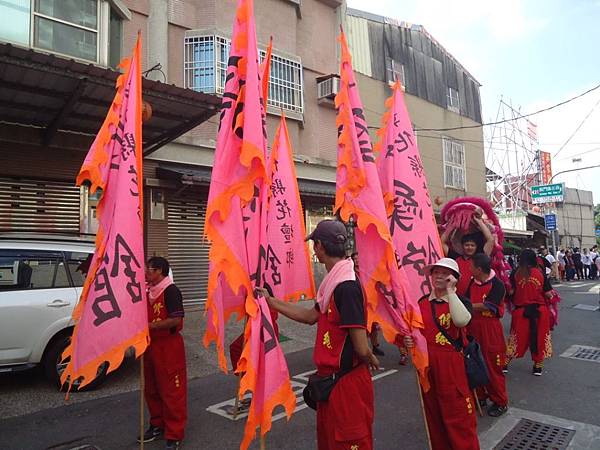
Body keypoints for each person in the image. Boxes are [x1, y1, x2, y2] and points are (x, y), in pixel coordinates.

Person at [259, 220, 378, 450]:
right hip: (329, 383)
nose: (314, 248)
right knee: (329, 442)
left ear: (320, 246)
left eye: (315, 244)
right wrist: (271, 301)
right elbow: (310, 316)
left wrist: (369, 355)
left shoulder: (346, 287)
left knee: (349, 442)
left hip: (346, 384)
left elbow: (361, 347)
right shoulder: (332, 284)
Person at [404, 257, 480, 450]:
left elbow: (462, 321)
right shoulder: (421, 303)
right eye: (436, 272)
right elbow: (415, 334)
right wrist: (408, 342)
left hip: (452, 366)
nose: (439, 276)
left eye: (445, 273)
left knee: (459, 419)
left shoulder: (461, 302)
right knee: (434, 419)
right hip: (428, 367)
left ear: (454, 278)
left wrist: (450, 291)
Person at [140, 257, 187, 450]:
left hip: (168, 346)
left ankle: (175, 433)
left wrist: (150, 326)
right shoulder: (146, 290)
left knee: (171, 391)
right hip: (149, 345)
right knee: (150, 387)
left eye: (149, 270)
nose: (146, 273)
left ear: (159, 271)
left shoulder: (171, 291)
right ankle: (157, 424)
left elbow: (176, 320)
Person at [466, 253, 508, 417]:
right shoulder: (472, 283)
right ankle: (481, 396)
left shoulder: (497, 284)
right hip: (474, 328)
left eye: (471, 266)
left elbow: (488, 306)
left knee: (492, 367)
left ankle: (500, 401)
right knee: (475, 364)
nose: (469, 269)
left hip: (490, 331)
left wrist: (465, 305)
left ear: (479, 269)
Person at [506, 249, 553, 376]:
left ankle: (505, 362)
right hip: (540, 312)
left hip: (521, 311)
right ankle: (538, 366)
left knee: (516, 338)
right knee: (539, 338)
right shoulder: (540, 273)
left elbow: (510, 292)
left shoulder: (516, 273)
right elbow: (549, 294)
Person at [441, 216, 495, 296]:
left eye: (472, 245)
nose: (469, 247)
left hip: (474, 299)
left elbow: (491, 240)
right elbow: (441, 242)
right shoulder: (455, 258)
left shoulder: (480, 258)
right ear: (462, 246)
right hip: (455, 297)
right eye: (467, 245)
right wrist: (452, 226)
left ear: (476, 247)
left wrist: (479, 221)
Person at [352, 252, 384, 357]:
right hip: (359, 303)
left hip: (370, 303)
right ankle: (363, 348)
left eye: (358, 258)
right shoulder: (351, 273)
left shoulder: (366, 270)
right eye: (355, 259)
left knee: (374, 327)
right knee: (363, 327)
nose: (357, 260)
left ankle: (375, 346)